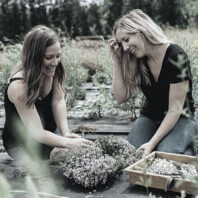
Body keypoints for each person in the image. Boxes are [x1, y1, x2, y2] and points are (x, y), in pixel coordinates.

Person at [108, 9, 198, 156]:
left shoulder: (176, 56)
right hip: (150, 117)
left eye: (126, 39)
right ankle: (183, 151)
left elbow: (174, 110)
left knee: (164, 155)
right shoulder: (137, 60)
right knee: (131, 155)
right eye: (120, 43)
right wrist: (116, 61)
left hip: (180, 119)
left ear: (141, 31)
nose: (125, 48)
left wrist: (152, 143)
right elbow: (121, 97)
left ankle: (185, 150)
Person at [2, 25, 92, 160]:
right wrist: (66, 143)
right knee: (73, 155)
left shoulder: (50, 71)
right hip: (23, 143)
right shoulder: (19, 87)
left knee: (82, 149)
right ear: (34, 57)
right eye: (49, 57)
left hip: (47, 133)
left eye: (58, 56)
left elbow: (58, 101)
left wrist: (65, 133)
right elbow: (36, 132)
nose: (55, 62)